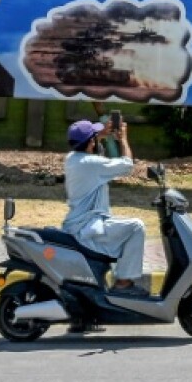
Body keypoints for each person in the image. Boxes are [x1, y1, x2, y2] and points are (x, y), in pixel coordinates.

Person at [62, 117, 147, 296]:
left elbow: (87, 148)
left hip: (80, 224)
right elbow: (127, 166)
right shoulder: (92, 164)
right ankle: (123, 283)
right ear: (90, 142)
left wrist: (98, 136)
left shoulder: (72, 159)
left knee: (124, 227)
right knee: (136, 227)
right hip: (88, 229)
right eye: (94, 137)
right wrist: (122, 138)